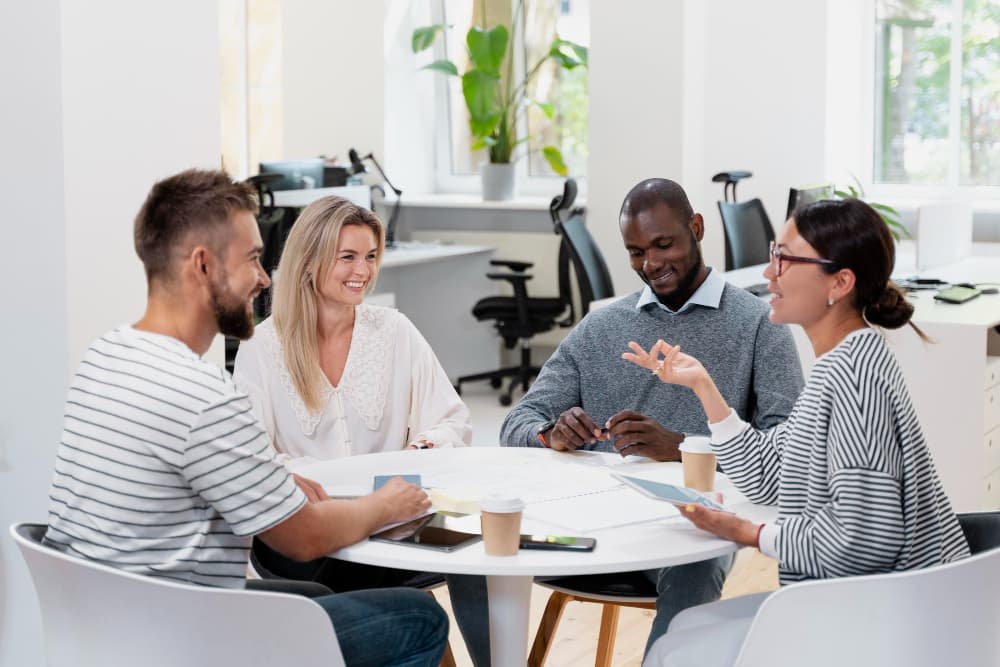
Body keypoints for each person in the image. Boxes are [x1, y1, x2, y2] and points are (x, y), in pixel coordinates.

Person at [43, 169, 448, 667]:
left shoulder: (105, 358)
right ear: (203, 266)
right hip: (189, 639)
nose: (263, 277)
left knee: (317, 600)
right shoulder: (204, 396)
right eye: (253, 258)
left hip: (111, 626)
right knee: (418, 617)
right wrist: (388, 503)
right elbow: (303, 537)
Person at [627, 198, 970, 667]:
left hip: (888, 621)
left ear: (840, 282)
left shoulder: (853, 380)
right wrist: (704, 386)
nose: (769, 274)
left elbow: (863, 541)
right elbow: (769, 476)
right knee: (684, 632)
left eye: (785, 259)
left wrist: (750, 533)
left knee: (676, 649)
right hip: (874, 606)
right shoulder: (845, 363)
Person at [500, 177, 805, 654]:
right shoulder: (601, 326)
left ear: (697, 228)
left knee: (694, 572)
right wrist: (549, 434)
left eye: (664, 244)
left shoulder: (759, 326)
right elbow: (517, 422)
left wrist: (683, 448)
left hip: (691, 525)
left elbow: (787, 453)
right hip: (594, 520)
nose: (651, 264)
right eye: (636, 252)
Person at [233, 195, 489, 666]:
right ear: (310, 261)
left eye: (370, 256)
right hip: (303, 538)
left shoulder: (394, 331)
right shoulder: (262, 347)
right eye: (347, 256)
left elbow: (451, 420)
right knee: (415, 610)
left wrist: (419, 451)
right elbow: (254, 460)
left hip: (389, 529)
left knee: (478, 550)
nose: (363, 271)